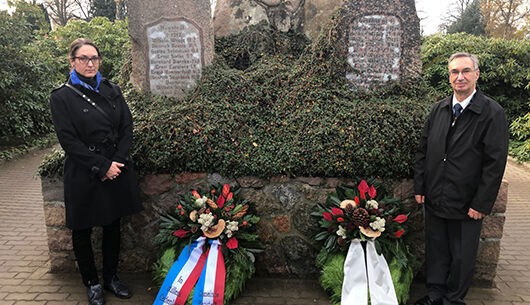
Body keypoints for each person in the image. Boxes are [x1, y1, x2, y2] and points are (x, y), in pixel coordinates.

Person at [50, 38, 144, 305]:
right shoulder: (61, 97)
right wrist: (101, 167)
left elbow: (127, 126)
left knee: (113, 225)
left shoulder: (112, 89)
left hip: (116, 166)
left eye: (94, 58)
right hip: (84, 171)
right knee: (82, 229)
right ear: (72, 62)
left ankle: (111, 278)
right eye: (83, 58)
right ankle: (91, 284)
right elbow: (68, 141)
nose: (90, 63)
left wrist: (117, 162)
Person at [413, 52, 508, 305]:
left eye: (466, 71)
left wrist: (481, 203)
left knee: (462, 256)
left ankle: (453, 300)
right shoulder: (439, 109)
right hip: (435, 197)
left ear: (477, 74)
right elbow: (424, 150)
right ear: (449, 76)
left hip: (467, 204)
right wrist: (420, 186)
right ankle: (434, 295)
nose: (460, 77)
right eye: (455, 72)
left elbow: (494, 164)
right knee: (437, 252)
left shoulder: (491, 113)